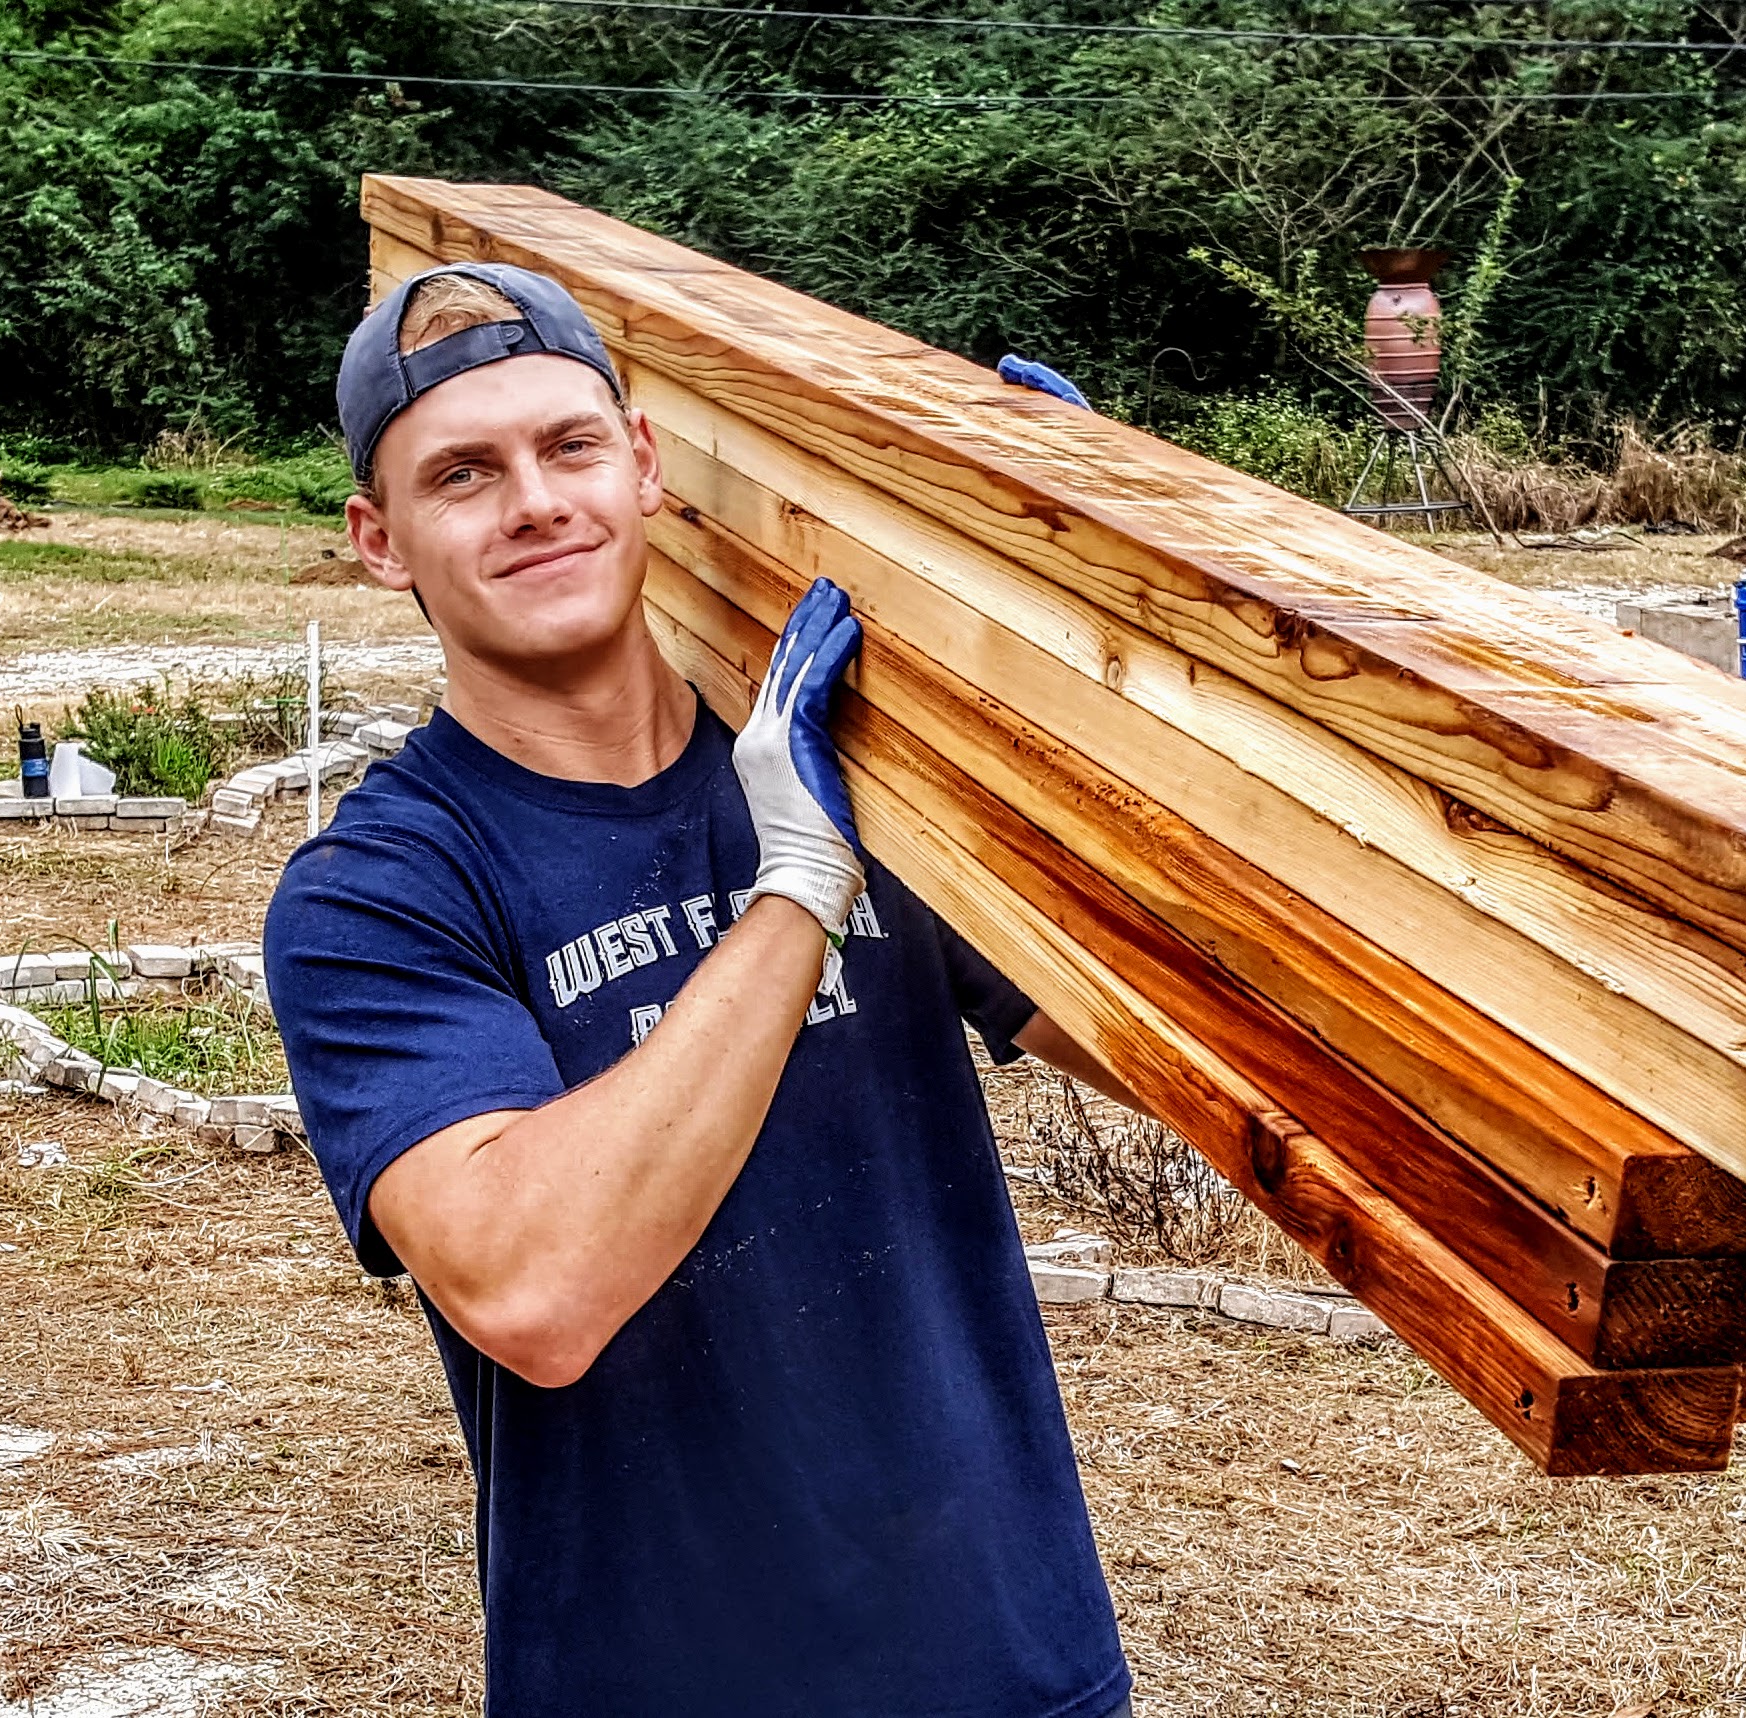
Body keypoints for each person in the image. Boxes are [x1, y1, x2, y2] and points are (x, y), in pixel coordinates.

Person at [264, 261, 1135, 1718]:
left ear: (645, 463)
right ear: (378, 539)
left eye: (569, 445)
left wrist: (1085, 670)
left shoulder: (864, 767)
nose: (535, 501)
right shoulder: (380, 889)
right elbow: (532, 1287)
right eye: (463, 474)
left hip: (1009, 1658)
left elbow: (1173, 1050)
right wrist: (798, 882)